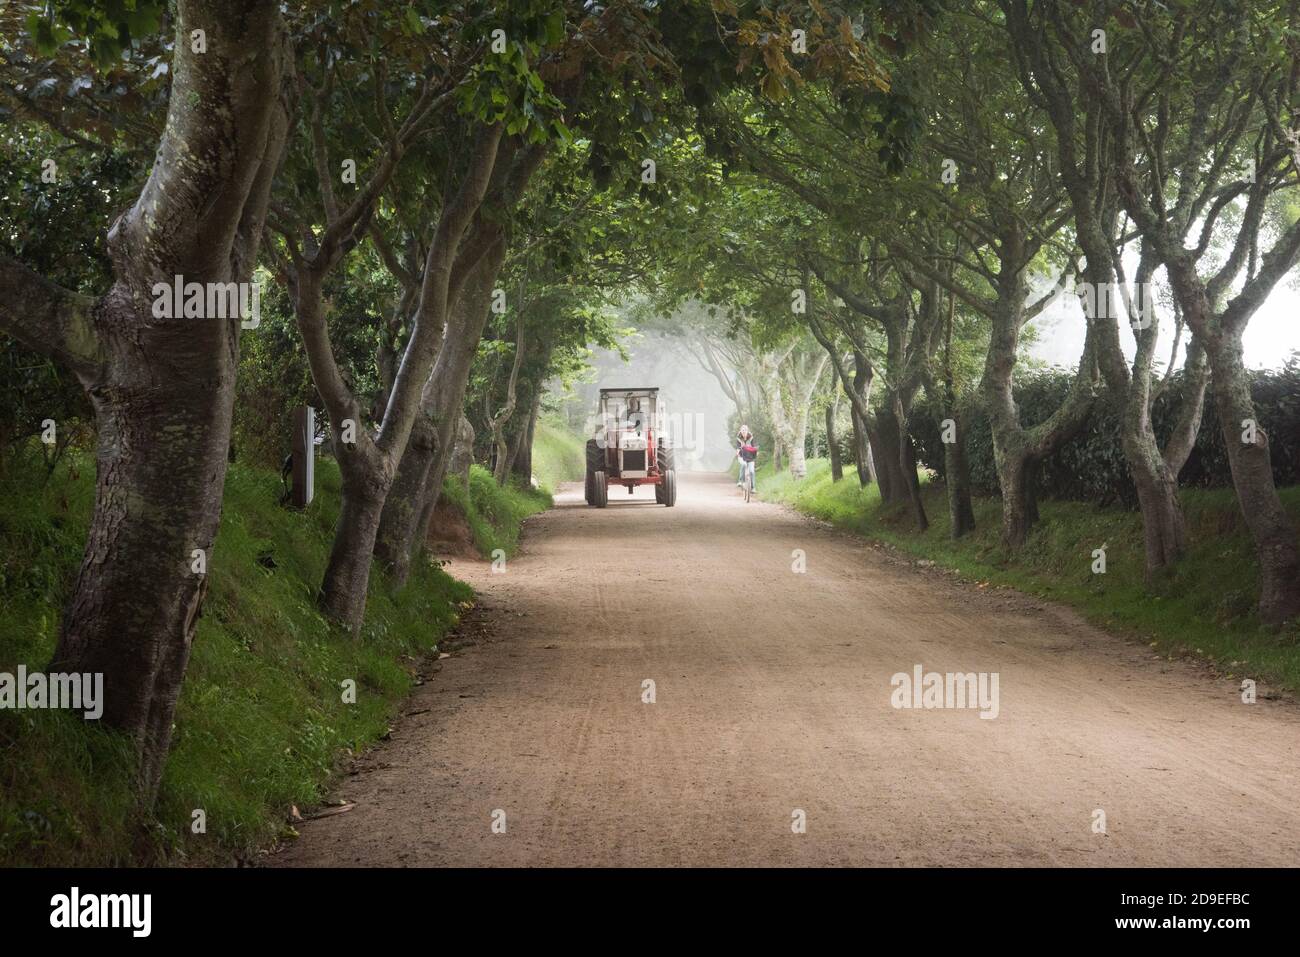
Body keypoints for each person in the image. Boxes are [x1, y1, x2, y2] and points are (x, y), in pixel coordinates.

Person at [736, 426, 758, 493]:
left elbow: (754, 447)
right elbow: (738, 447)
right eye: (742, 430)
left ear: (747, 431)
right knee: (743, 464)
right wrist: (737, 452)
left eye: (745, 430)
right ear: (740, 431)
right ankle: (740, 481)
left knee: (751, 471)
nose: (744, 432)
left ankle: (753, 488)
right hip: (741, 456)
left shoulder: (751, 437)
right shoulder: (738, 438)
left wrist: (756, 452)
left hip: (750, 456)